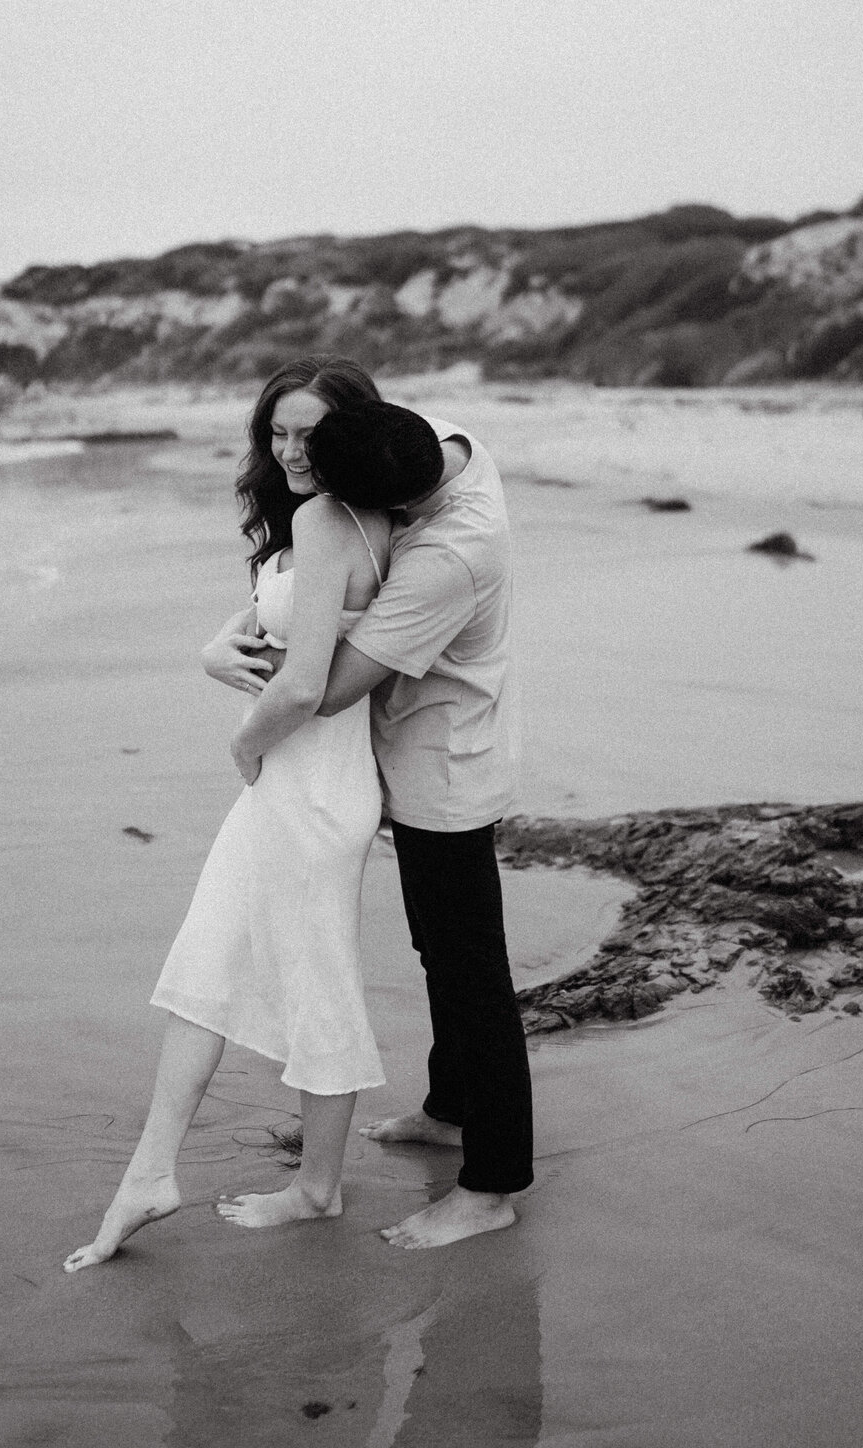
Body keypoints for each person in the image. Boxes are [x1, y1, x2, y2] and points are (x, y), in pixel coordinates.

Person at [64, 358, 392, 1271]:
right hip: (300, 787)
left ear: (350, 435)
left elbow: (301, 683)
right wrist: (218, 647)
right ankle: (150, 1172)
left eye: (310, 434)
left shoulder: (333, 520)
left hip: (310, 785)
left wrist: (243, 741)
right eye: (277, 433)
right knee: (205, 957)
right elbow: (284, 627)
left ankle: (318, 1188)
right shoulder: (333, 520)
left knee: (318, 978)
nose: (290, 450)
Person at [305, 399, 535, 1251]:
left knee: (475, 977)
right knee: (439, 951)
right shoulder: (440, 442)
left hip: (446, 773)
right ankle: (450, 1110)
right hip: (431, 752)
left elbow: (331, 688)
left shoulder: (449, 554)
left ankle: (493, 1185)